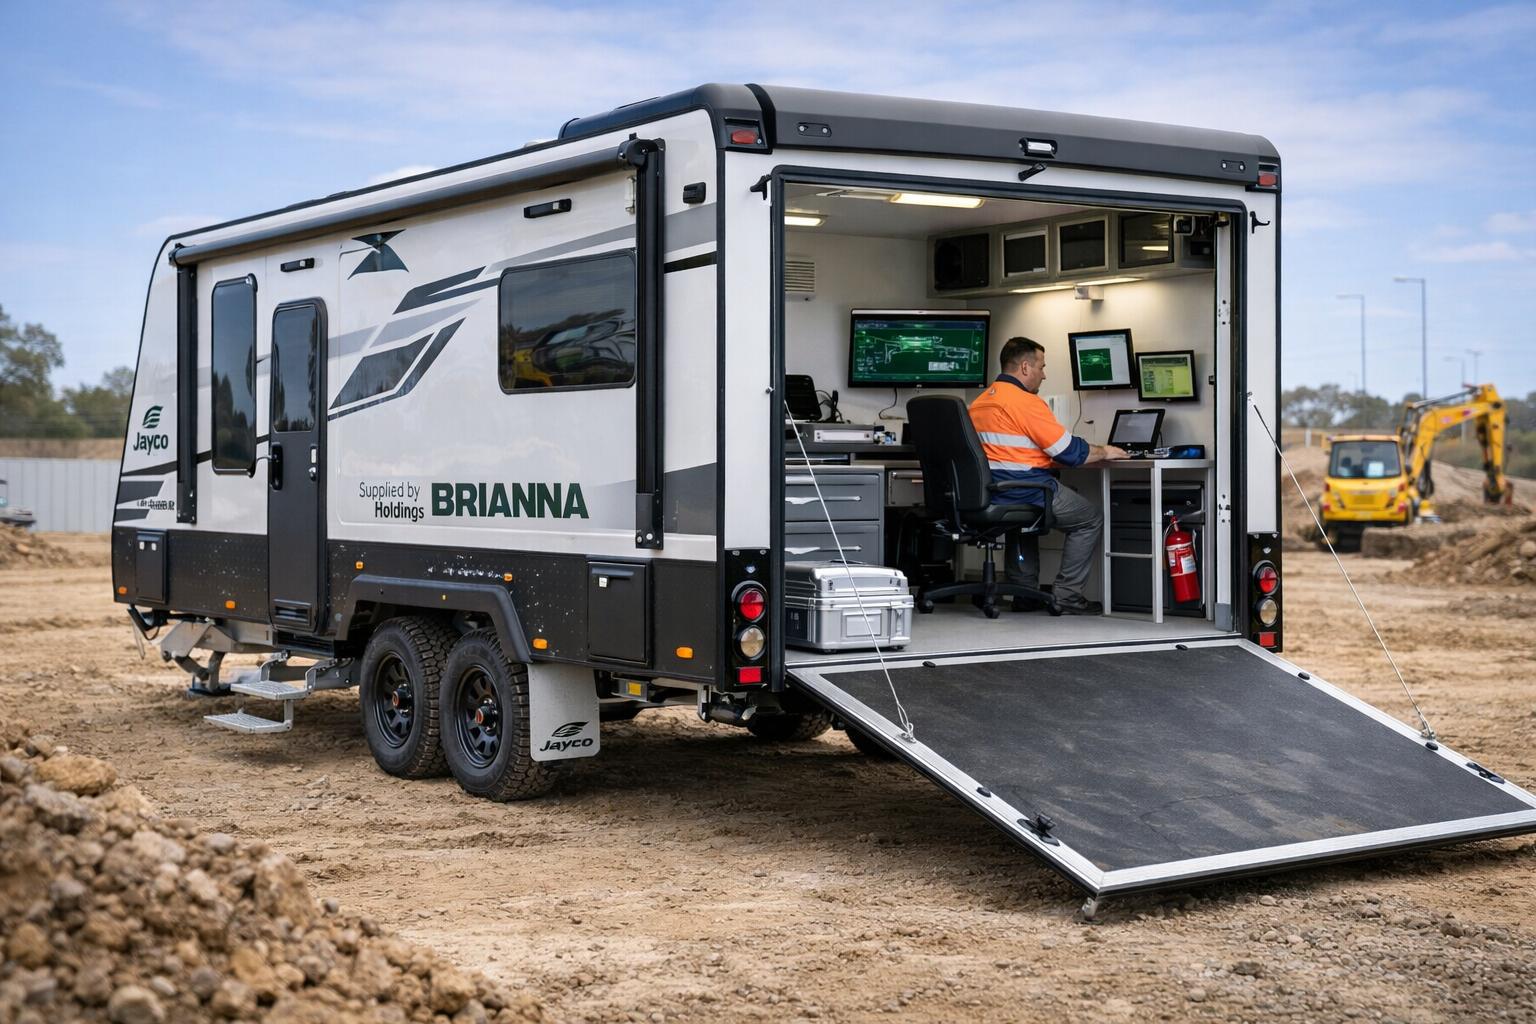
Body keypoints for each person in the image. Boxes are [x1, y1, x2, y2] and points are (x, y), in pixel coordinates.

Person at [968, 336, 1128, 614]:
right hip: (1026, 489)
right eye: (1042, 366)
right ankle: (1067, 595)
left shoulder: (980, 402)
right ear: (1026, 367)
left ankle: (1025, 593)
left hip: (990, 491)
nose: (1045, 374)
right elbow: (1068, 451)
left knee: (1020, 522)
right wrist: (1105, 450)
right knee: (1090, 518)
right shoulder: (1025, 402)